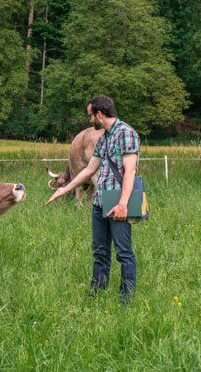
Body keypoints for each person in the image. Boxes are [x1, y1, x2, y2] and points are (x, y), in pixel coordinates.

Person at [46, 95, 140, 302]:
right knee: (99, 251)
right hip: (100, 200)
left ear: (99, 114)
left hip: (118, 199)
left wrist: (123, 204)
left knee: (123, 252)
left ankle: (126, 299)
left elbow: (130, 170)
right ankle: (96, 293)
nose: (90, 121)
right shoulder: (105, 136)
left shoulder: (126, 133)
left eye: (90, 115)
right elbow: (90, 169)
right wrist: (64, 189)